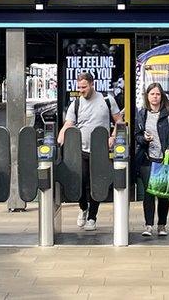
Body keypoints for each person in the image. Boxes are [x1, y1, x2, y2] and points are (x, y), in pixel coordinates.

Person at [58, 72, 122, 232]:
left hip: (100, 151)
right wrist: (59, 138)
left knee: (97, 184)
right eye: (79, 87)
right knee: (81, 182)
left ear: (92, 84)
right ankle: (83, 207)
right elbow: (68, 124)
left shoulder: (107, 100)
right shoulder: (76, 104)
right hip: (81, 150)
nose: (81, 90)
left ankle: (92, 217)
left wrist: (113, 136)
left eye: (84, 87)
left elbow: (119, 122)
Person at [134, 83, 169, 237]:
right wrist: (144, 138)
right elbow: (137, 135)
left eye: (158, 94)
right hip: (147, 159)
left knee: (162, 194)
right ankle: (148, 225)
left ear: (162, 96)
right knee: (149, 194)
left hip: (164, 158)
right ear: (147, 96)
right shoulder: (142, 113)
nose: (155, 97)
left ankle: (162, 225)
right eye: (152, 94)